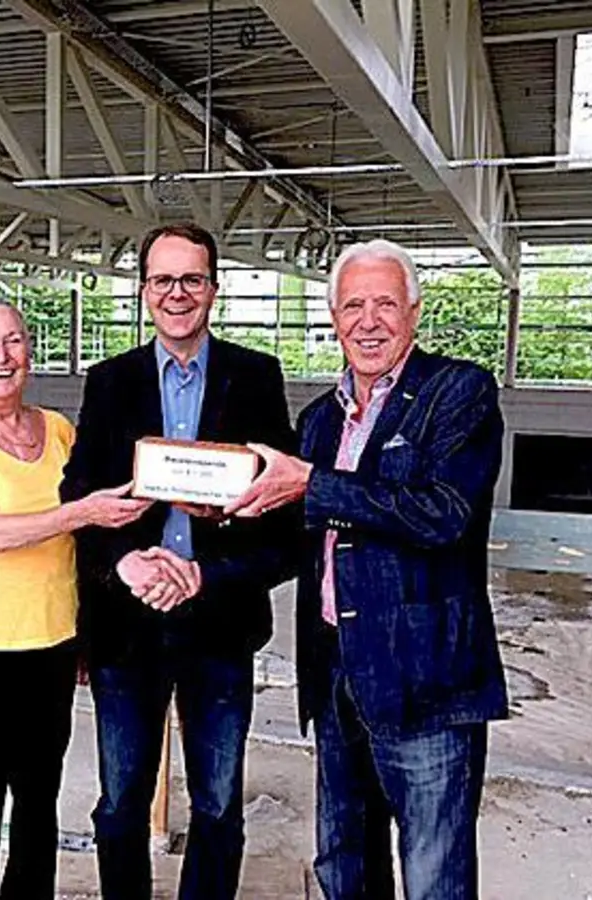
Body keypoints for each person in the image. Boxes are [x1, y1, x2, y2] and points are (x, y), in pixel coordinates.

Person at [227, 239, 509, 900]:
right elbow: (293, 524)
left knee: (434, 873)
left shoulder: (458, 391)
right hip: (335, 674)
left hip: (426, 679)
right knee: (344, 864)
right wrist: (214, 521)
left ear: (414, 312)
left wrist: (311, 484)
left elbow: (443, 514)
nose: (368, 320)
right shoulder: (320, 420)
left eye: (385, 303)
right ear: (333, 316)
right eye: (353, 304)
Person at [60, 222, 301, 900]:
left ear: (213, 290)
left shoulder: (256, 377)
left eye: (191, 279)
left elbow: (284, 518)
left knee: (219, 806)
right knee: (118, 807)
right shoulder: (110, 382)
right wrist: (123, 563)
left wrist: (220, 540)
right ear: (144, 293)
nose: (177, 293)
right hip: (125, 629)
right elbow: (78, 497)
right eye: (163, 280)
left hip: (220, 625)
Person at [0, 299, 154, 900]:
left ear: (30, 352)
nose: (2, 356)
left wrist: (83, 628)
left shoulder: (59, 430)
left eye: (15, 342)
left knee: (38, 805)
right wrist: (84, 510)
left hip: (50, 644)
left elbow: (83, 536)